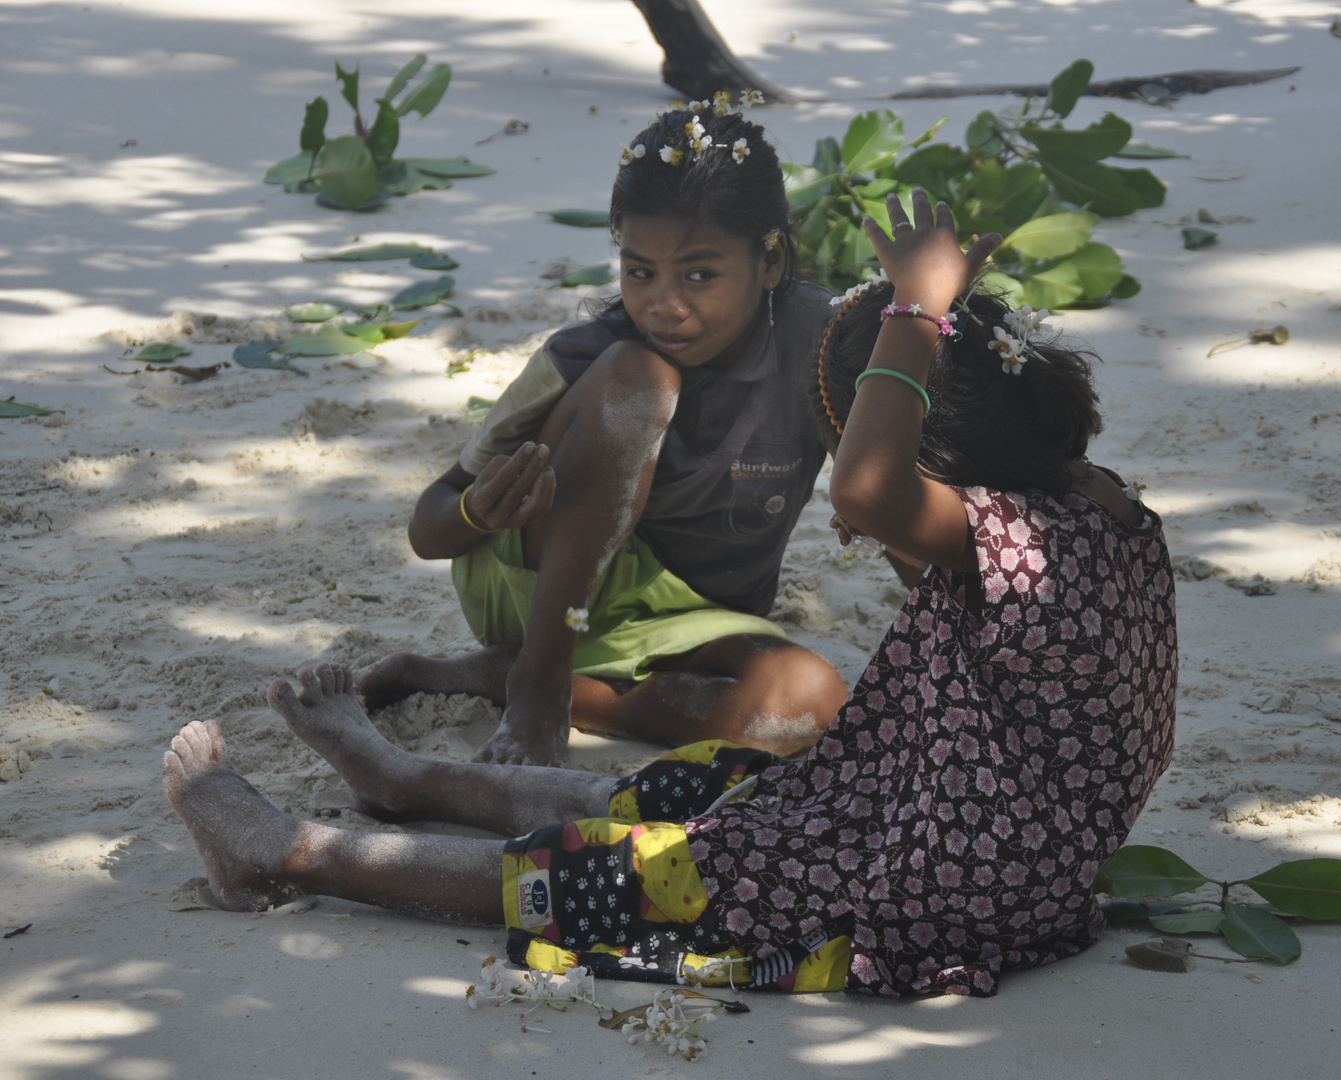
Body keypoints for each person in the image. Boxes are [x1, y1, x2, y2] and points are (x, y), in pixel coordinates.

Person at [163, 188, 1178, 997]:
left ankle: (293, 855)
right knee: (694, 795)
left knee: (627, 872)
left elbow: (874, 486)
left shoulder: (1014, 536)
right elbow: (923, 537)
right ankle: (401, 780)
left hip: (939, 878)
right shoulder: (1094, 510)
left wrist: (917, 310)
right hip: (956, 828)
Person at [356, 102, 849, 766]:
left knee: (812, 708)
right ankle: (536, 681)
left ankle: (510, 680)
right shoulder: (592, 356)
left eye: (699, 275)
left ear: (770, 260)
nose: (663, 304)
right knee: (642, 382)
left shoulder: (820, 344)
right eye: (639, 271)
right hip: (549, 593)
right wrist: (481, 508)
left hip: (698, 620)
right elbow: (428, 527)